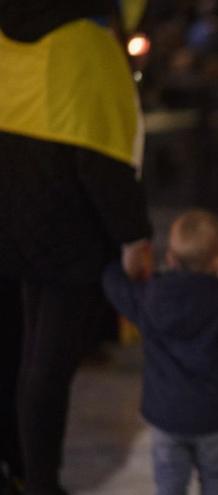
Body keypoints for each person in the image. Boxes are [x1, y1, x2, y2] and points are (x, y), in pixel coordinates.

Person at [0, 2, 153, 493]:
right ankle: (42, 481)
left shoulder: (8, 37)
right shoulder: (87, 45)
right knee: (49, 365)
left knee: (22, 352)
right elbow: (101, 159)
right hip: (68, 229)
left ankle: (20, 468)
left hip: (11, 213)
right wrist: (134, 235)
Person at [102, 210, 218, 495]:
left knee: (169, 484)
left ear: (169, 257)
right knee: (215, 480)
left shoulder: (149, 299)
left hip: (166, 417)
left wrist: (119, 265)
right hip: (212, 419)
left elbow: (113, 284)